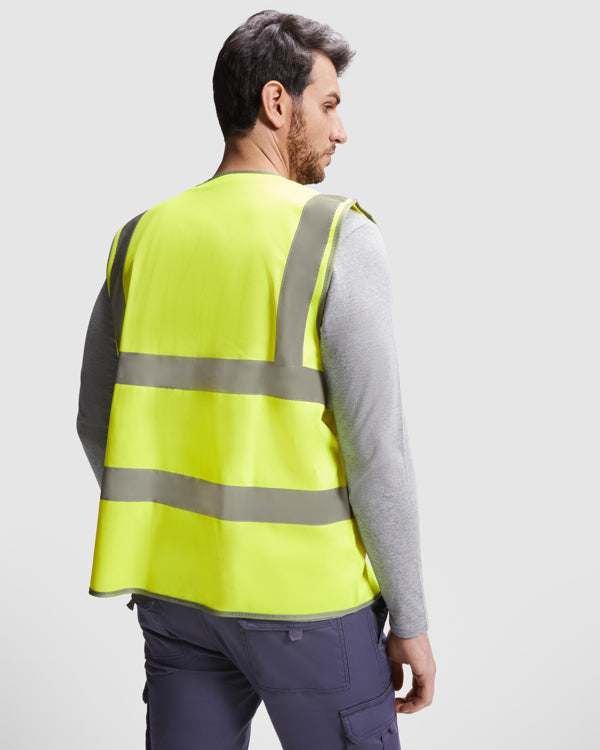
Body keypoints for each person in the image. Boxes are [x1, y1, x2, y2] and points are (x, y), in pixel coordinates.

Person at [77, 10, 436, 750]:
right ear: (277, 102)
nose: (342, 131)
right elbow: (378, 455)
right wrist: (412, 619)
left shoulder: (140, 238)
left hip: (177, 599)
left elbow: (93, 420)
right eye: (329, 105)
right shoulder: (336, 235)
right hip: (310, 605)